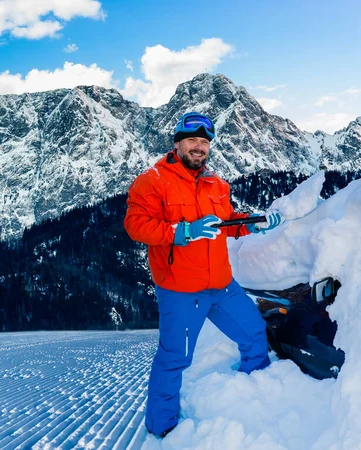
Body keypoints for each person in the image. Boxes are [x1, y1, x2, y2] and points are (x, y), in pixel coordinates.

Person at [123, 112, 282, 438]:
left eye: (205, 142)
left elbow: (227, 222)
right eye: (193, 140)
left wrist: (254, 222)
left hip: (221, 285)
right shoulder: (152, 180)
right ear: (177, 143)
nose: (199, 147)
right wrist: (182, 231)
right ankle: (162, 430)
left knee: (254, 334)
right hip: (181, 291)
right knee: (174, 360)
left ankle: (255, 392)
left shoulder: (216, 184)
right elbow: (135, 225)